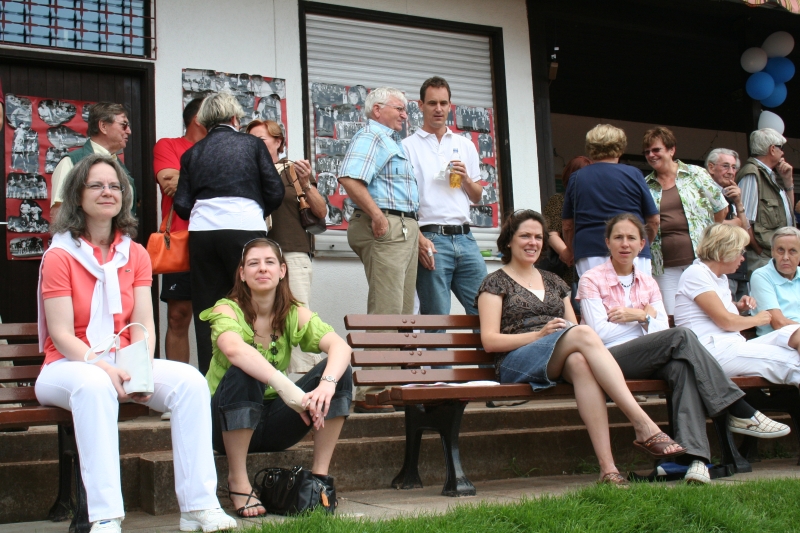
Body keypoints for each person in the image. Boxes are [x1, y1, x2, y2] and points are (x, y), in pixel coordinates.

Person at [35, 154, 236, 533]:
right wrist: (104, 367)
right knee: (95, 385)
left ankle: (199, 506)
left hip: (122, 361)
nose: (107, 192)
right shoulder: (60, 255)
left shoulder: (136, 253)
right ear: (78, 195)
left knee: (191, 383)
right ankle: (105, 516)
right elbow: (60, 335)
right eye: (96, 185)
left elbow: (143, 323)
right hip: (67, 367)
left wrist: (138, 368)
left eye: (114, 186)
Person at [477, 209, 686, 486]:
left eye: (538, 237)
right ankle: (642, 423)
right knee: (584, 335)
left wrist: (556, 336)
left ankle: (608, 469)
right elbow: (490, 341)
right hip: (516, 361)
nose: (533, 242)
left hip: (554, 355)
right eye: (525, 236)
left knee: (580, 362)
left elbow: (572, 329)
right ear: (509, 241)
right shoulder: (495, 282)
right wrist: (538, 335)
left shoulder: (554, 281)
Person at [578, 213, 789, 484]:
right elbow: (599, 333)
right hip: (609, 359)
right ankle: (738, 408)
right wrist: (645, 318)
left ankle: (695, 460)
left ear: (642, 244)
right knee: (682, 336)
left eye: (631, 238)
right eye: (618, 237)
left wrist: (639, 317)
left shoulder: (648, 281)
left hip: (648, 355)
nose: (625, 244)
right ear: (607, 242)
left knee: (683, 367)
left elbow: (660, 329)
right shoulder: (591, 279)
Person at [202, 238, 352, 516]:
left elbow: (340, 347)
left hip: (273, 423)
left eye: (269, 262)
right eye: (253, 263)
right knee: (246, 368)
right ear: (242, 274)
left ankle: (318, 481)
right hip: (223, 422)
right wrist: (287, 388)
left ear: (282, 270)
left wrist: (326, 385)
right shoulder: (226, 309)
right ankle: (238, 481)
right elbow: (234, 349)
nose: (262, 268)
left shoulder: (293, 312)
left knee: (338, 372)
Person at [173, 93, 284, 375]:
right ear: (235, 118)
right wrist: (254, 209)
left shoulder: (192, 153)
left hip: (203, 234)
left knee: (208, 309)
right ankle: (257, 378)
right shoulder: (252, 145)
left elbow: (182, 206)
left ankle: (211, 384)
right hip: (245, 228)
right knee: (253, 302)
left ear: (203, 121)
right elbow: (275, 191)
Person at [338, 87, 419, 412]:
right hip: (387, 226)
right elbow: (349, 178)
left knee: (402, 313)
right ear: (377, 110)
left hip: (404, 227)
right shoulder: (372, 135)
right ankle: (371, 391)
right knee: (387, 311)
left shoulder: (392, 141)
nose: (404, 114)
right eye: (399, 108)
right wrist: (377, 216)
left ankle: (391, 387)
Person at [245, 119, 328, 374]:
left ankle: (305, 381)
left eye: (261, 140)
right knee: (261, 318)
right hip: (257, 256)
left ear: (278, 141)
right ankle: (269, 378)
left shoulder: (292, 169)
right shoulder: (245, 171)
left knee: (298, 315)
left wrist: (306, 183)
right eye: (250, 140)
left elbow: (321, 211)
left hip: (291, 252)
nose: (254, 145)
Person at [402, 76, 487, 318]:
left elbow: (478, 197)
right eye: (432, 103)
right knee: (436, 316)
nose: (438, 109)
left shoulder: (465, 145)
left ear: (450, 105)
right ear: (420, 105)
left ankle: (485, 347)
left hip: (465, 237)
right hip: (431, 237)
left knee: (486, 311)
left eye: (443, 103)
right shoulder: (407, 146)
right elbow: (403, 202)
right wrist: (418, 239)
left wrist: (466, 179)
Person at [675, 223, 800, 387]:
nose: (743, 258)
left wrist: (737, 306)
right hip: (711, 351)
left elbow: (712, 309)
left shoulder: (719, 277)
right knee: (793, 363)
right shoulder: (696, 273)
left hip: (732, 346)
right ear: (725, 251)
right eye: (741, 252)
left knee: (797, 334)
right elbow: (726, 321)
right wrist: (757, 319)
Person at [643, 127, 728, 315]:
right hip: (663, 264)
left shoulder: (696, 174)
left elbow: (721, 208)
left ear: (671, 150)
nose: (651, 155)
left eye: (656, 150)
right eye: (647, 152)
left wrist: (708, 236)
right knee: (673, 315)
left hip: (701, 259)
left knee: (709, 312)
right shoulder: (646, 184)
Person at [562, 124, 659, 278]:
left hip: (590, 251)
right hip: (631, 250)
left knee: (595, 292)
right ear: (620, 146)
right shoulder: (634, 174)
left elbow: (568, 225)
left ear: (590, 147)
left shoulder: (577, 178)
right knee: (636, 293)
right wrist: (642, 243)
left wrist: (571, 249)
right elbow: (653, 220)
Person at [152, 97, 206, 367]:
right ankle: (178, 386)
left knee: (221, 317)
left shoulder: (221, 148)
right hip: (180, 240)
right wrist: (213, 180)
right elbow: (168, 182)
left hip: (215, 239)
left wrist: (186, 179)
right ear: (198, 118)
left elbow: (180, 183)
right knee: (178, 316)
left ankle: (217, 389)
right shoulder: (168, 145)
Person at [51, 102, 137, 220]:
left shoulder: (118, 165)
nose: (129, 131)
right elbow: (58, 213)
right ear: (103, 126)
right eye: (124, 125)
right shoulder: (71, 162)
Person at [736, 128, 795, 275]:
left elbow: (789, 213)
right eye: (781, 148)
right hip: (763, 256)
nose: (783, 153)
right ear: (772, 149)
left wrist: (788, 181)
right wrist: (759, 250)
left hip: (775, 253)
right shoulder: (752, 173)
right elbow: (744, 219)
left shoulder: (770, 174)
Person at [706, 148, 750, 302]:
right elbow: (704, 224)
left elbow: (745, 234)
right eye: (725, 166)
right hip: (719, 268)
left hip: (739, 267)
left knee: (742, 311)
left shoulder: (731, 194)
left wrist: (738, 202)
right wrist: (735, 223)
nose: (731, 172)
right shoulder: (702, 192)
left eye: (734, 167)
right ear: (711, 167)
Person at [541, 155, 592, 286]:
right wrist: (567, 253)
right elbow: (551, 233)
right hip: (567, 266)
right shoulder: (558, 200)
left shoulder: (595, 202)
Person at [750, 227, 800, 337]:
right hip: (776, 338)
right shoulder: (761, 276)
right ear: (772, 252)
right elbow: (778, 323)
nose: (785, 257)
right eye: (780, 250)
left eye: (792, 251)